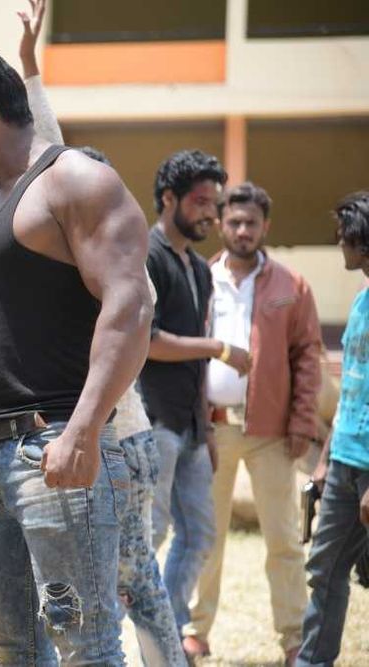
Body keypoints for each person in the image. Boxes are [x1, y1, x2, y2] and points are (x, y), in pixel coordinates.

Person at [0, 39, 153, 665]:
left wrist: (84, 431)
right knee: (10, 648)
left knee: (86, 647)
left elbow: (130, 311)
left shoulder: (76, 182)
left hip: (55, 450)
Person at [0, 9, 185, 665]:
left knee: (127, 588)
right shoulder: (53, 218)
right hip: (62, 439)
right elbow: (44, 147)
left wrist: (85, 430)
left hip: (108, 436)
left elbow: (51, 152)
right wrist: (30, 66)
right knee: (41, 607)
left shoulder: (110, 253)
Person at [183, 182, 321, 665]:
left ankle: (294, 638)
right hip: (212, 430)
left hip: (273, 433)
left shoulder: (291, 285)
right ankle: (195, 631)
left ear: (266, 226)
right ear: (221, 224)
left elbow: (308, 356)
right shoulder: (200, 277)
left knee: (284, 539)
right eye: (235, 222)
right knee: (205, 535)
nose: (243, 230)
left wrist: (303, 421)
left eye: (252, 223)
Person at [140, 149, 243, 635]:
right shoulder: (145, 255)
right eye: (201, 203)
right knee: (149, 535)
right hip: (153, 420)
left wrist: (209, 426)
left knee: (200, 535)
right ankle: (124, 642)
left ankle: (168, 635)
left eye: (214, 206)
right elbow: (148, 342)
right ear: (169, 198)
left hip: (193, 427)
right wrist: (220, 348)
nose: (211, 215)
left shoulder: (200, 268)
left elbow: (195, 357)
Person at [295, 192, 369, 666]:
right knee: (325, 569)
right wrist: (324, 461)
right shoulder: (361, 300)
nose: (338, 242)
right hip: (344, 461)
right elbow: (352, 391)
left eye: (345, 235)